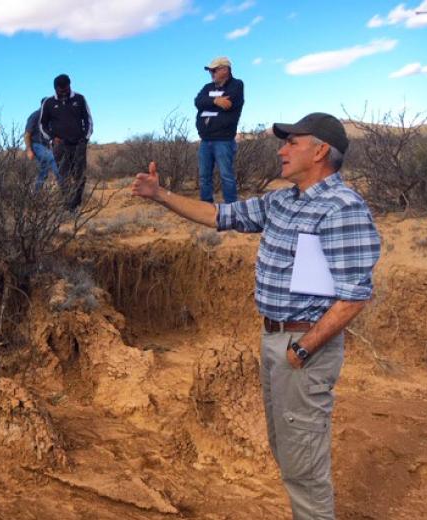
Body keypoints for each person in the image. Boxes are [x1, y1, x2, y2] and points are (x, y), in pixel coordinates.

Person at [132, 113, 381, 520]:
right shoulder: (282, 200)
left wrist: (303, 348)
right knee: (287, 449)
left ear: (319, 151)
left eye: (292, 142)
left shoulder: (342, 208)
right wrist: (162, 196)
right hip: (276, 341)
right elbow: (219, 216)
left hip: (302, 347)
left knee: (304, 465)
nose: (281, 150)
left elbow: (354, 296)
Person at [194, 56, 244, 204]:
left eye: (214, 70)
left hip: (224, 140)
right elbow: (198, 102)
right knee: (204, 176)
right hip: (205, 140)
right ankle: (206, 205)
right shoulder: (207, 88)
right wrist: (215, 101)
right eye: (210, 71)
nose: (211, 73)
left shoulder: (236, 85)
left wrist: (208, 105)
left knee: (226, 175)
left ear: (225, 70)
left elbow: (229, 104)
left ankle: (231, 207)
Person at [39, 74, 93, 211]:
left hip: (78, 144)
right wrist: (52, 138)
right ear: (55, 89)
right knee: (63, 175)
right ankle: (68, 205)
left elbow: (88, 120)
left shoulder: (80, 99)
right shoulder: (49, 103)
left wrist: (85, 139)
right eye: (60, 90)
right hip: (60, 146)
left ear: (70, 86)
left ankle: (76, 203)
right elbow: (42, 124)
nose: (63, 92)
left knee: (80, 175)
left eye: (66, 88)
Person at [25, 98, 62, 191]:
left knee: (43, 171)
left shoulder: (48, 118)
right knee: (53, 160)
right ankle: (65, 189)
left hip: (46, 146)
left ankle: (36, 194)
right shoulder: (35, 116)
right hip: (36, 145)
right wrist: (29, 150)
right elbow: (27, 134)